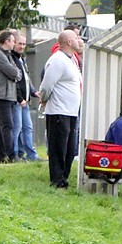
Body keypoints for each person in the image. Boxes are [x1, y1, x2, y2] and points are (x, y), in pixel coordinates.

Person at [38, 29, 83, 188]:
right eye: (76, 38)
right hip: (58, 110)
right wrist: (43, 99)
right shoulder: (57, 60)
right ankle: (57, 180)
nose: (79, 40)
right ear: (69, 42)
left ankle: (64, 177)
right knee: (58, 148)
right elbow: (47, 85)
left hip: (71, 111)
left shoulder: (71, 60)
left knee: (70, 149)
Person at [0, 29, 22, 163]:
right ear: (7, 41)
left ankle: (0, 156)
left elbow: (17, 72)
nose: (14, 43)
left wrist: (15, 74)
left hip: (8, 95)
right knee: (7, 125)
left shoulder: (7, 55)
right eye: (13, 41)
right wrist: (15, 74)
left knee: (2, 125)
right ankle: (11, 155)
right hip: (0, 95)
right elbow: (13, 72)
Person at [11, 33, 40, 161]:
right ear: (14, 43)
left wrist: (34, 92)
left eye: (24, 44)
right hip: (18, 100)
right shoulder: (12, 59)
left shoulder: (22, 59)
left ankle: (30, 154)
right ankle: (15, 154)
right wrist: (19, 98)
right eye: (20, 44)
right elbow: (15, 82)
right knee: (17, 128)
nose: (22, 47)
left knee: (27, 127)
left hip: (25, 100)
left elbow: (27, 80)